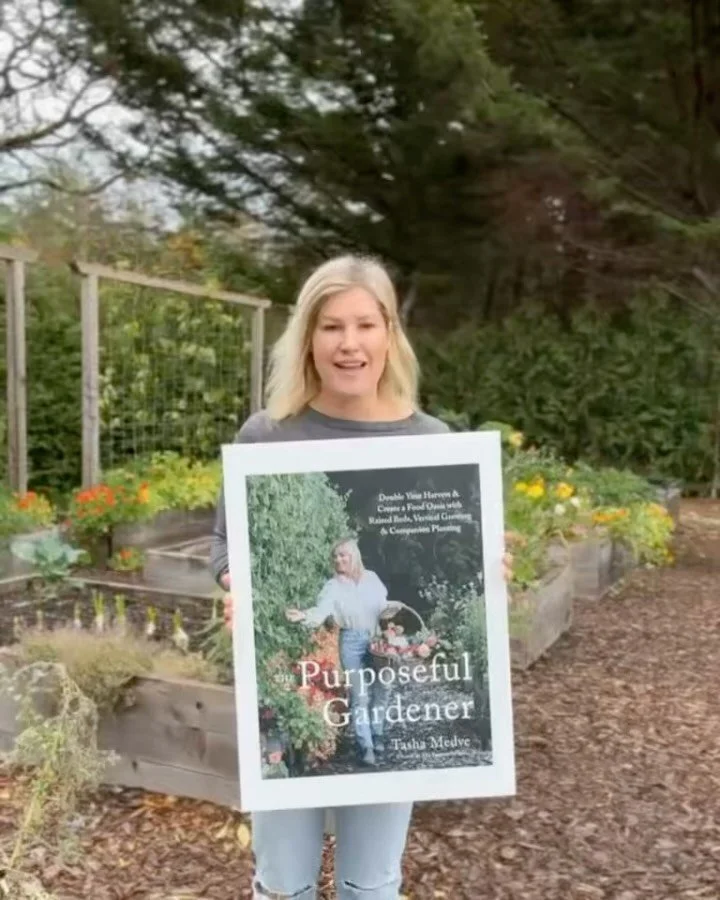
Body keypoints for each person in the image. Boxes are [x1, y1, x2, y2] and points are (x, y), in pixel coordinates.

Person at [210, 254, 512, 900]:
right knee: (282, 885)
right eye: (331, 327)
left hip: (370, 667)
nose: (349, 344)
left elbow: (461, 551)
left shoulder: (432, 439)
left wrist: (493, 569)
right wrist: (236, 582)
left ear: (390, 334)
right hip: (284, 681)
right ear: (308, 340)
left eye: (366, 325)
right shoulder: (267, 436)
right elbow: (223, 545)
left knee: (370, 886)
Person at [286, 536, 400, 767]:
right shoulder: (333, 586)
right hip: (351, 641)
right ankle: (366, 746)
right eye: (335, 557)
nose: (338, 560)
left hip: (375, 639)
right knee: (360, 695)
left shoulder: (372, 579)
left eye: (342, 555)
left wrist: (391, 621)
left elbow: (383, 608)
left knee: (383, 689)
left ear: (353, 556)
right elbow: (321, 610)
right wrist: (304, 616)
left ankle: (377, 733)